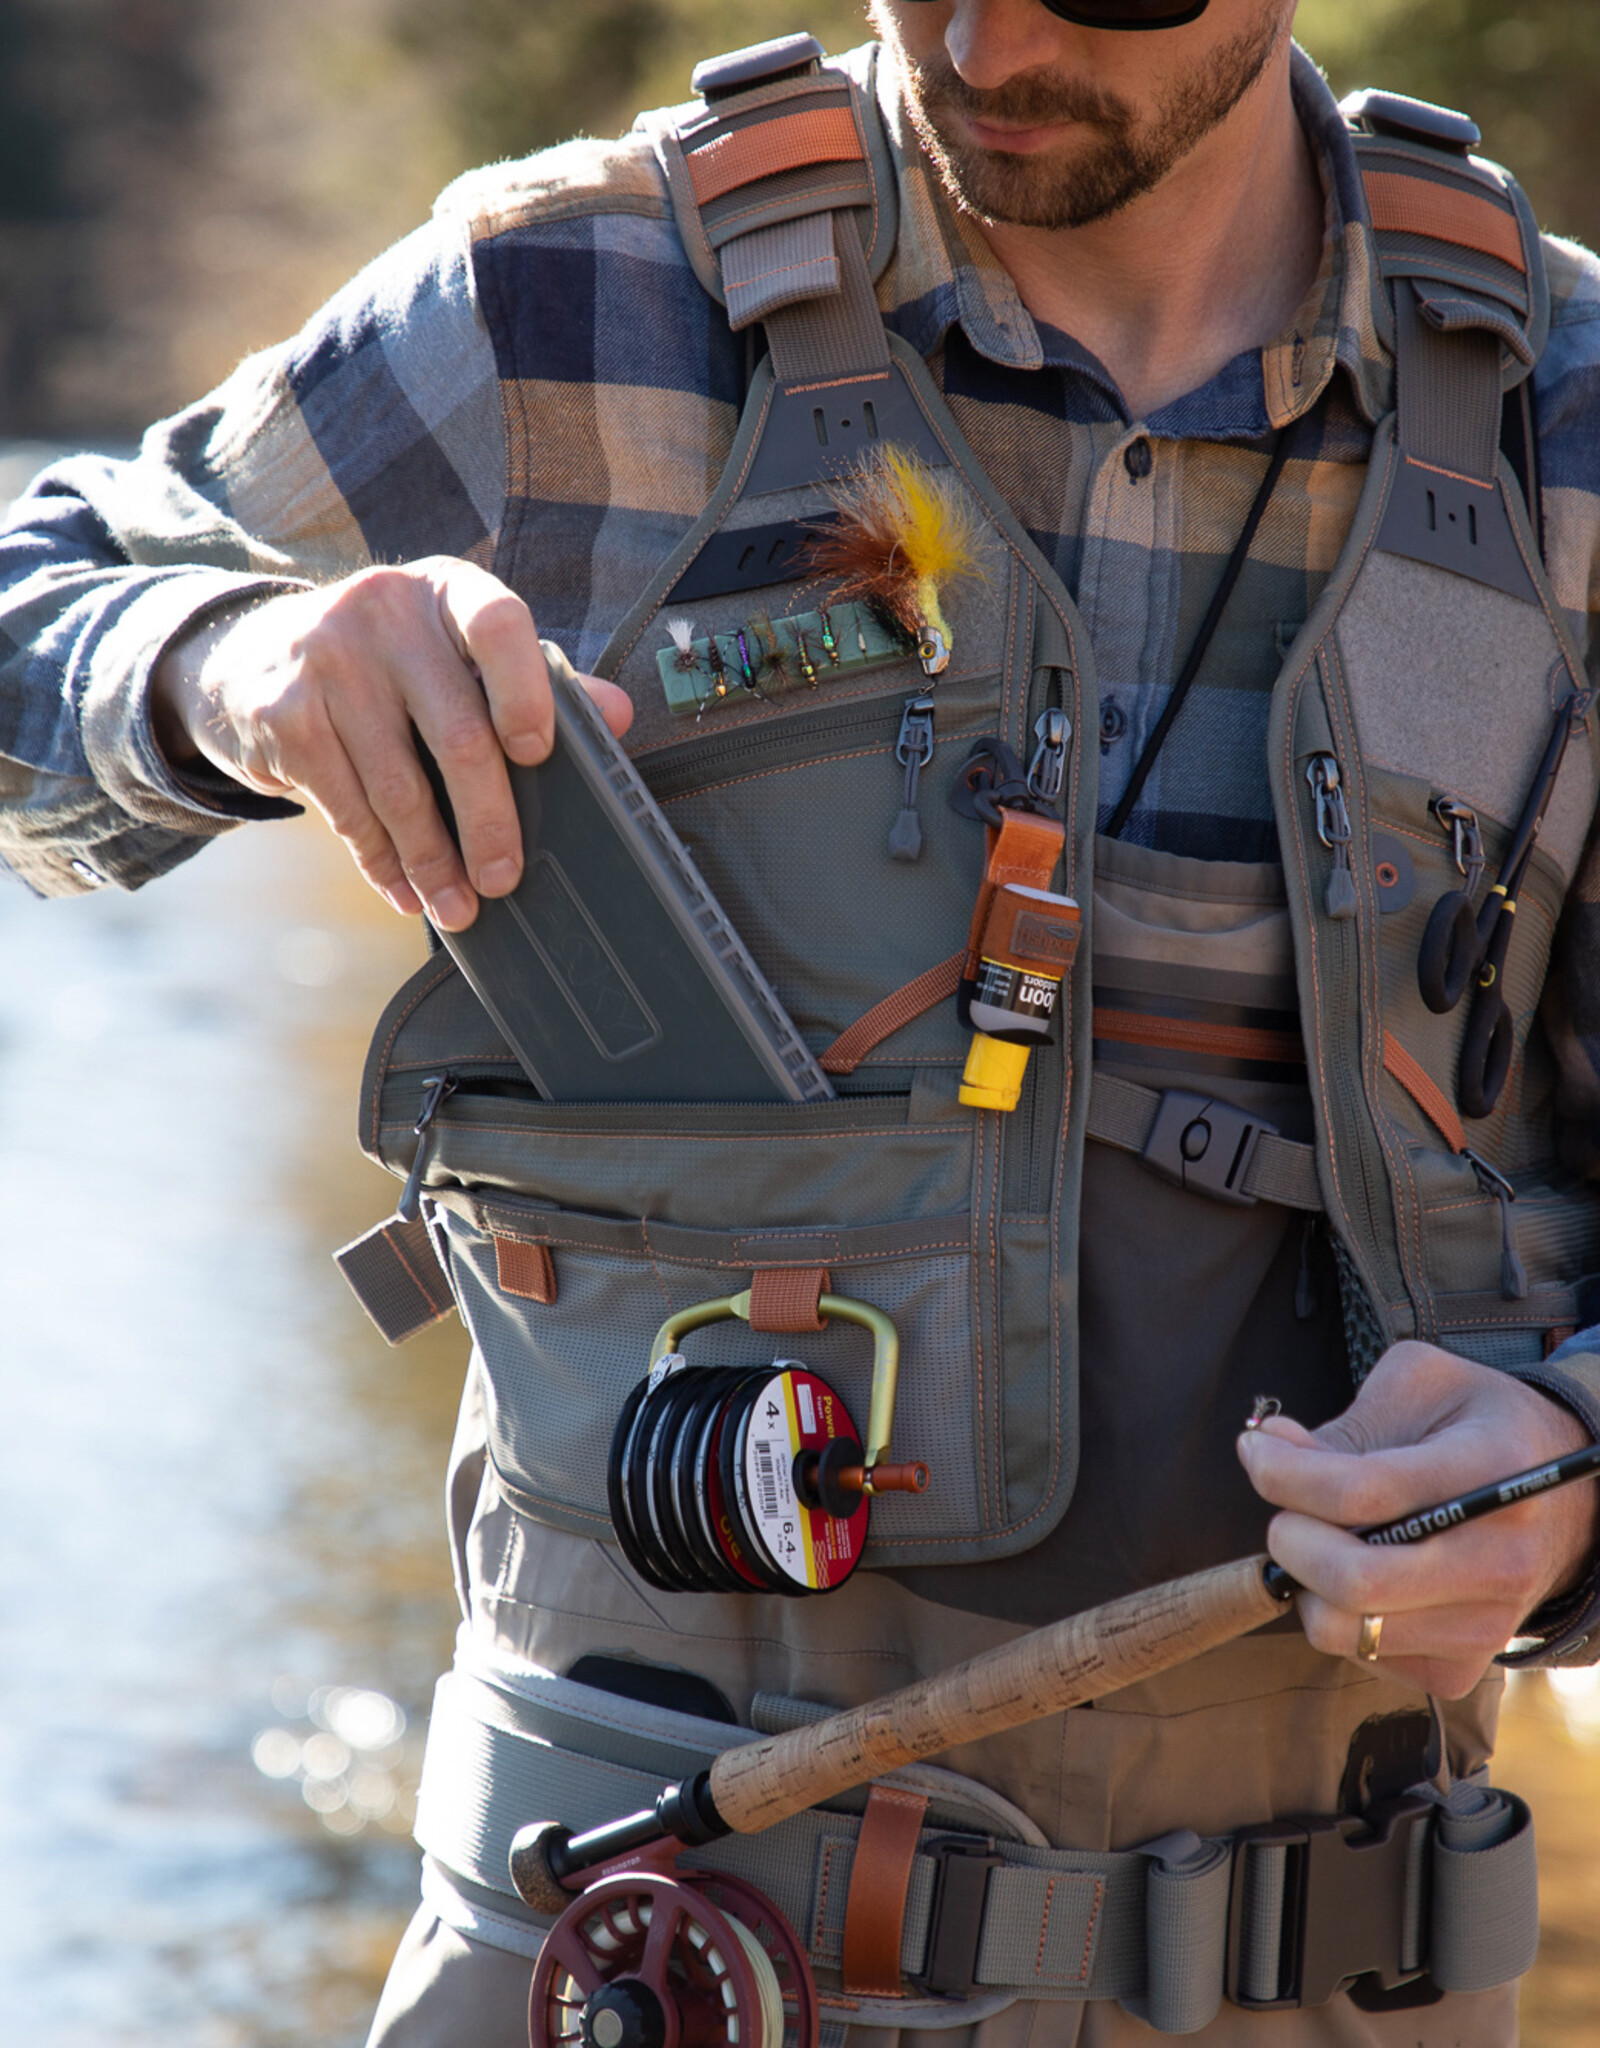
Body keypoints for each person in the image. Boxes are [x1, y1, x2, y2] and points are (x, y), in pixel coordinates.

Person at [4, 2, 1600, 2041]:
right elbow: (36, 596)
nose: (982, 31)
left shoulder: (1565, 428)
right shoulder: (572, 305)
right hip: (646, 1959)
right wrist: (220, 659)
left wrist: (1561, 1475)